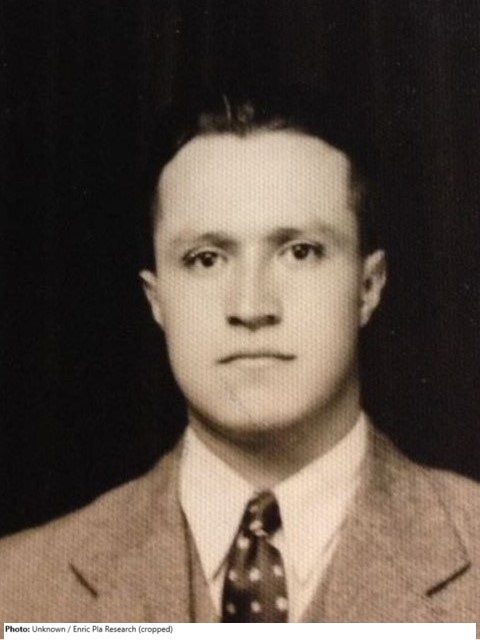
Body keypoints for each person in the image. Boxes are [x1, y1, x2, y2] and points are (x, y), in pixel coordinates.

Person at [0, 88, 479, 629]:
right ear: (157, 301)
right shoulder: (14, 592)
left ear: (368, 287)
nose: (251, 307)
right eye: (206, 259)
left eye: (300, 252)